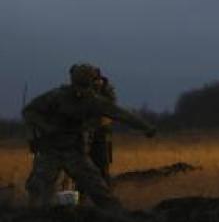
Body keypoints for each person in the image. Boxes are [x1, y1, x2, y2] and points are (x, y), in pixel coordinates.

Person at [23, 64, 156, 209]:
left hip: (75, 153)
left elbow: (122, 114)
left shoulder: (95, 101)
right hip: (51, 151)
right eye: (79, 87)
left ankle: (119, 218)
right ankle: (35, 221)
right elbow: (29, 111)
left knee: (99, 190)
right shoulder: (56, 96)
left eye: (85, 87)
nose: (81, 93)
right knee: (39, 189)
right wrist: (46, 127)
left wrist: (146, 127)